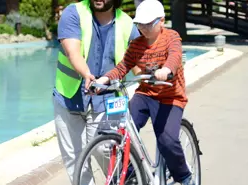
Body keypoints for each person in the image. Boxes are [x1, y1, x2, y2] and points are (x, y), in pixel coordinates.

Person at [93, 0, 194, 184]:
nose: (143, 28)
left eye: (148, 24)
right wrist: (104, 80)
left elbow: (175, 56)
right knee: (122, 133)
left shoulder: (171, 37)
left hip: (171, 98)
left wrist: (166, 70)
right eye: (140, 24)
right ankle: (133, 175)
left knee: (167, 141)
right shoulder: (136, 44)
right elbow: (122, 67)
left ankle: (184, 176)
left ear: (161, 21)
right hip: (146, 94)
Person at [53, 0, 140, 183]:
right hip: (69, 97)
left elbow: (139, 64)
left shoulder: (126, 24)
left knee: (107, 151)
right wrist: (86, 73)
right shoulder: (74, 12)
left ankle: (132, 179)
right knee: (75, 161)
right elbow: (72, 51)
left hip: (108, 101)